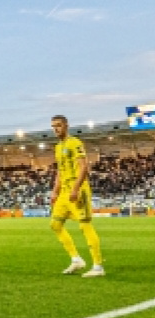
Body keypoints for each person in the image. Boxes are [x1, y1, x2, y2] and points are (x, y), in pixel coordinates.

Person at [50, 115, 104, 277]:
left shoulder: (75, 143)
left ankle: (98, 266)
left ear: (66, 125)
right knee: (55, 225)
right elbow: (59, 171)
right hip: (64, 193)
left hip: (78, 190)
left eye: (58, 125)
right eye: (53, 126)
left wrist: (76, 189)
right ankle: (76, 259)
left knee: (84, 226)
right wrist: (55, 191)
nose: (56, 129)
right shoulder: (58, 147)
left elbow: (84, 167)